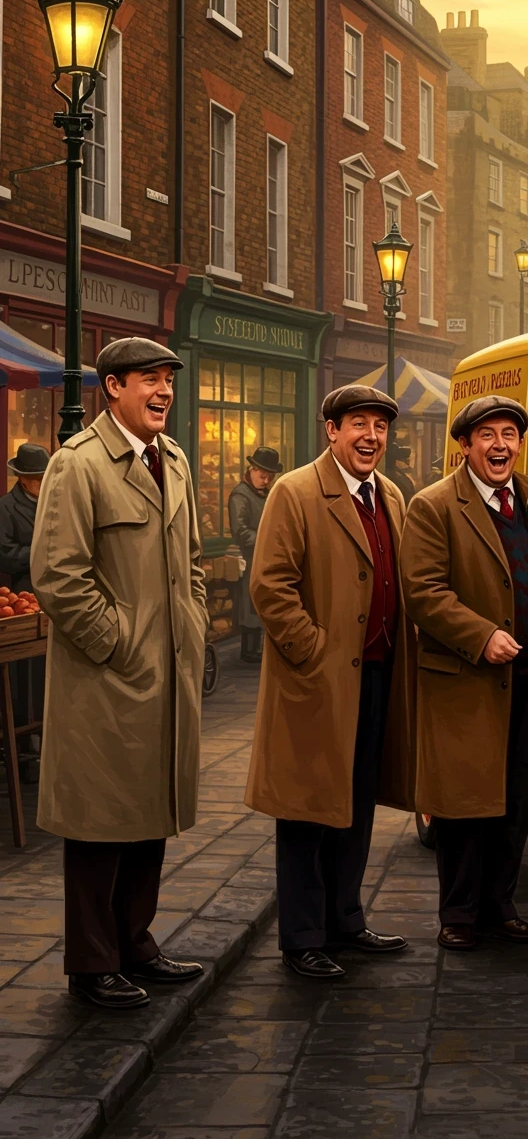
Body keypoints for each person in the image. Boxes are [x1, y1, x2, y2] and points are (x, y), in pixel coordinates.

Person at [31, 338, 207, 1010]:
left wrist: (186, 628)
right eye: (148, 380)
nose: (163, 391)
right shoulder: (77, 466)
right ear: (111, 387)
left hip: (167, 672)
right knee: (100, 824)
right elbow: (59, 577)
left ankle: (136, 941)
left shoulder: (177, 461)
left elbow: (188, 560)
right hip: (108, 679)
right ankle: (91, 962)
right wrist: (121, 643)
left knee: (149, 811)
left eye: (168, 380)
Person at [399, 395, 528, 950]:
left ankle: (500, 908)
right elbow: (423, 592)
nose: (500, 445)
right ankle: (458, 917)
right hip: (467, 682)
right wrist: (480, 635)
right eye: (487, 435)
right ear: (464, 446)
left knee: (513, 802)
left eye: (509, 434)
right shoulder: (435, 505)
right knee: (465, 805)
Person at [244, 384, 416, 979]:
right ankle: (302, 937)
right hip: (317, 682)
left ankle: (345, 919)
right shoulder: (295, 492)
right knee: (306, 810)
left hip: (375, 678)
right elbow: (270, 586)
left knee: (356, 803)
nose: (371, 436)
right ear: (332, 431)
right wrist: (312, 651)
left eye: (380, 427)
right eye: (359, 424)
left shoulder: (391, 495)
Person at [0, 444, 50, 729]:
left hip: (53, 598)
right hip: (25, 595)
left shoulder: (54, 503)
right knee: (25, 680)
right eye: (39, 478)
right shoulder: (5, 509)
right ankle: (26, 739)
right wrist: (40, 552)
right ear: (22, 479)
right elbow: (4, 554)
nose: (44, 483)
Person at [228, 447, 282, 663]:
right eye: (262, 475)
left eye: (269, 476)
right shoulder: (240, 495)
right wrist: (267, 538)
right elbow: (240, 532)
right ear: (252, 469)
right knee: (249, 604)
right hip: (250, 556)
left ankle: (256, 648)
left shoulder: (267, 493)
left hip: (267, 555)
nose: (266, 480)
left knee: (261, 601)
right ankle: (249, 651)